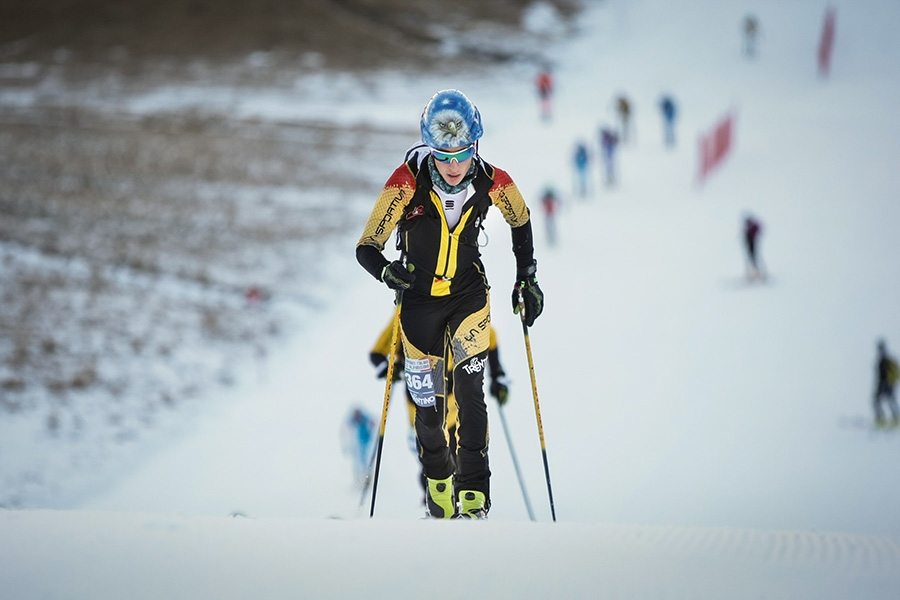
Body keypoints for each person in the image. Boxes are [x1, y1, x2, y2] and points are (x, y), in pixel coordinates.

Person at [356, 89, 544, 519]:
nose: (455, 165)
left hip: (468, 297)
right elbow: (367, 245)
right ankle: (438, 483)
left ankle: (474, 491)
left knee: (471, 393)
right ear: (429, 148)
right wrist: (386, 271)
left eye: (462, 153)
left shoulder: (493, 180)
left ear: (475, 145)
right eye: (444, 155)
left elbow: (521, 217)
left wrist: (526, 277)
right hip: (419, 304)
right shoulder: (405, 182)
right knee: (428, 407)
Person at [369, 316, 510, 497]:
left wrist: (498, 376)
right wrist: (387, 367)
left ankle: (453, 508)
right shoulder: (404, 314)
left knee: (456, 462)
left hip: (453, 410)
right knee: (432, 462)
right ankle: (436, 507)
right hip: (420, 409)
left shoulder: (462, 312)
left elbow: (489, 338)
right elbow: (377, 353)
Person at [341, 406, 376, 486]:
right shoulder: (351, 421)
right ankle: (358, 479)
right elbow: (345, 432)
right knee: (357, 461)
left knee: (366, 459)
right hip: (357, 444)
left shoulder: (366, 418)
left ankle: (367, 477)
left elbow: (374, 423)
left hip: (366, 442)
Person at [873, 340, 900, 427]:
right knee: (890, 401)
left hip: (885, 385)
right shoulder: (886, 359)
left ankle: (882, 420)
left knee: (879, 401)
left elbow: (881, 376)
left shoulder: (883, 360)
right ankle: (895, 419)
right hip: (888, 385)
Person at [742, 213, 765, 281]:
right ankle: (753, 272)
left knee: (754, 258)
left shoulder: (753, 227)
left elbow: (756, 231)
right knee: (750, 258)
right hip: (749, 244)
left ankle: (758, 272)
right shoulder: (749, 228)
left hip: (752, 244)